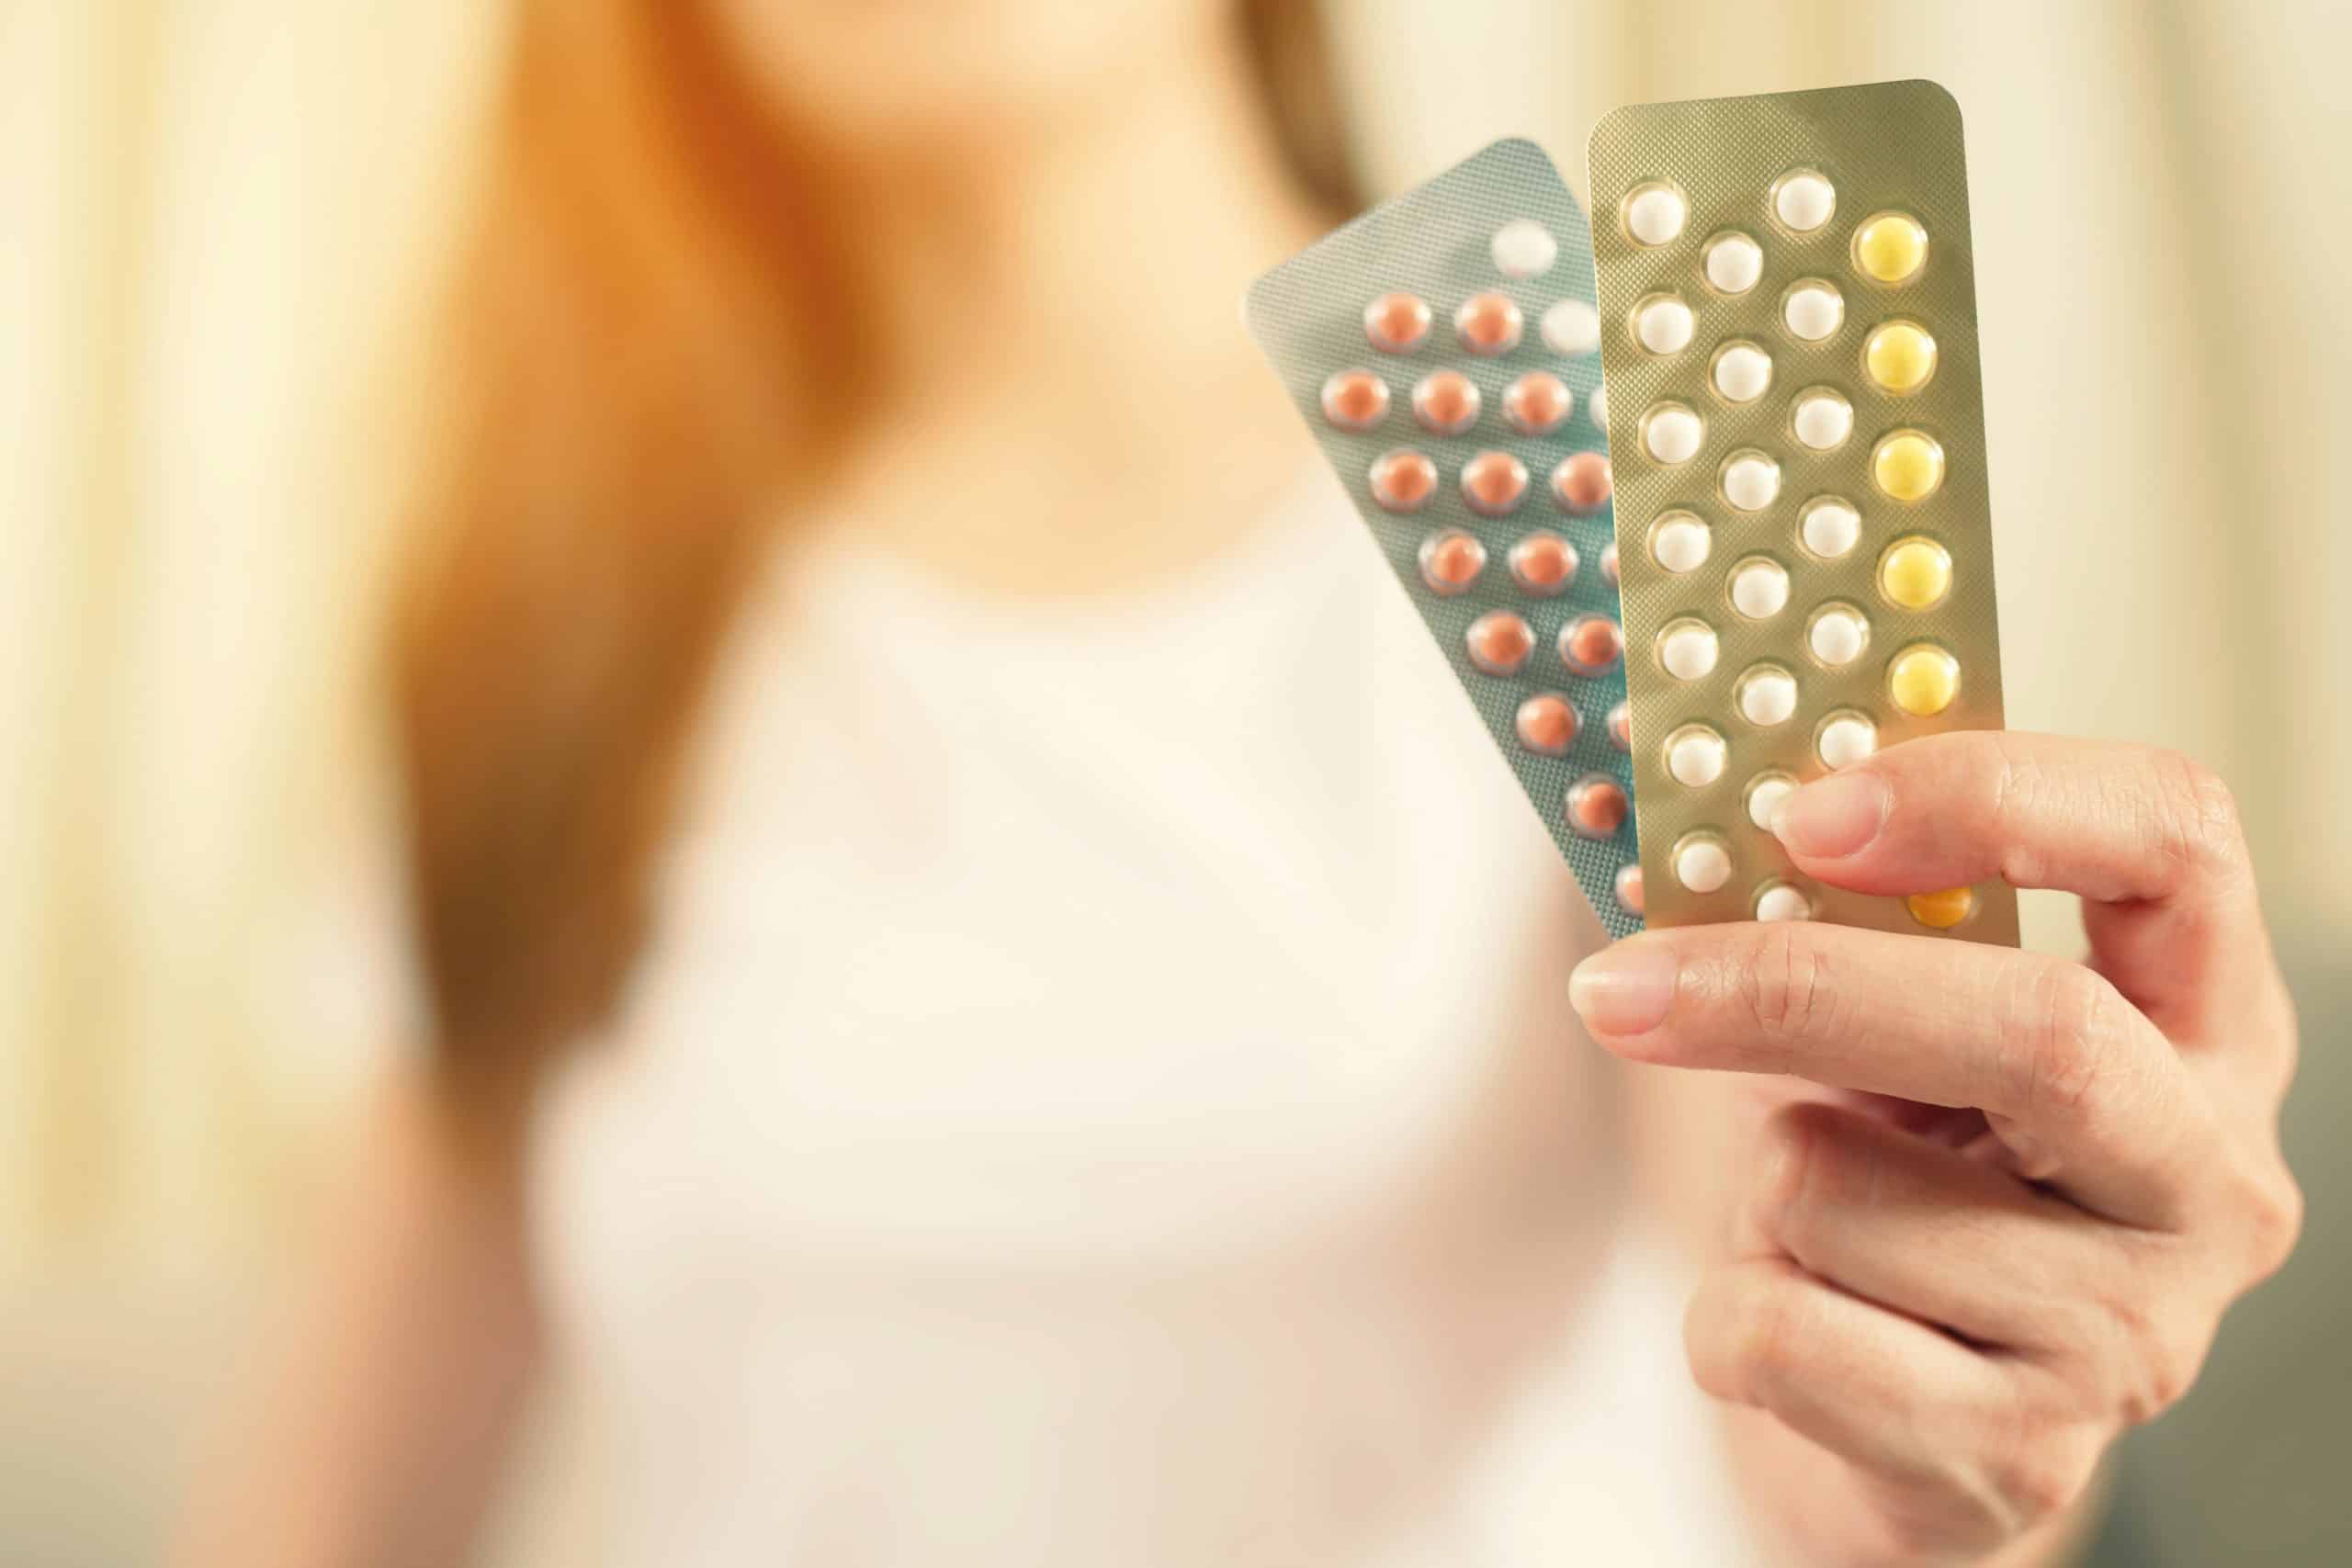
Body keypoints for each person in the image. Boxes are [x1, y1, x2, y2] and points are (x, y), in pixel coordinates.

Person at [175, 3, 2302, 1564]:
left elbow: (1823, 1447)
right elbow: (331, 1504)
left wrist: (1970, 1413)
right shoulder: (551, 628)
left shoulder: (1605, 494)